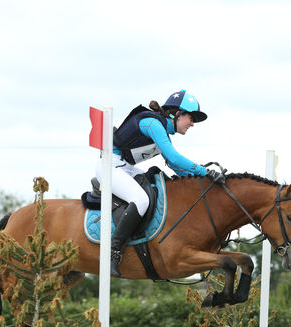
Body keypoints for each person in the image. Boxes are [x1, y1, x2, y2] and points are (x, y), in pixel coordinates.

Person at [95, 90, 225, 277]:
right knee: (141, 200)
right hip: (108, 165)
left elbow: (175, 166)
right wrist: (205, 171)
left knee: (158, 187)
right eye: (191, 117)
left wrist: (203, 181)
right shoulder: (152, 123)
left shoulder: (161, 130)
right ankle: (112, 252)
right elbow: (173, 157)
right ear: (176, 113)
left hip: (124, 167)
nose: (192, 123)